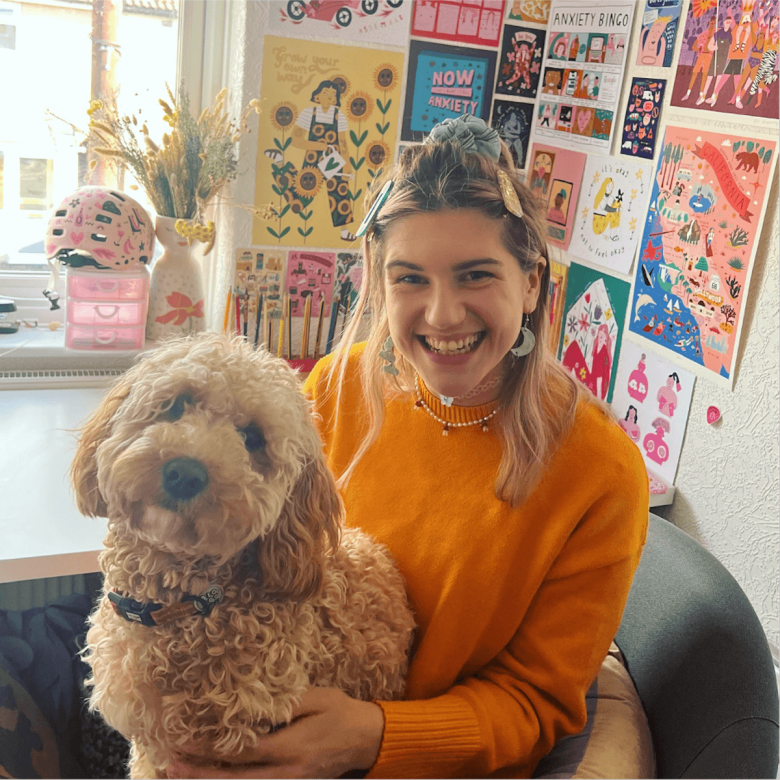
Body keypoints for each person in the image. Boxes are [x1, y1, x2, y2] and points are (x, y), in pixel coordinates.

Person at [168, 115, 650, 778]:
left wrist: (368, 737)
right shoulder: (335, 387)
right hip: (267, 700)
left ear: (533, 282)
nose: (442, 314)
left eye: (476, 275)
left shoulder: (600, 472)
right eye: (410, 278)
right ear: (379, 281)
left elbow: (536, 702)